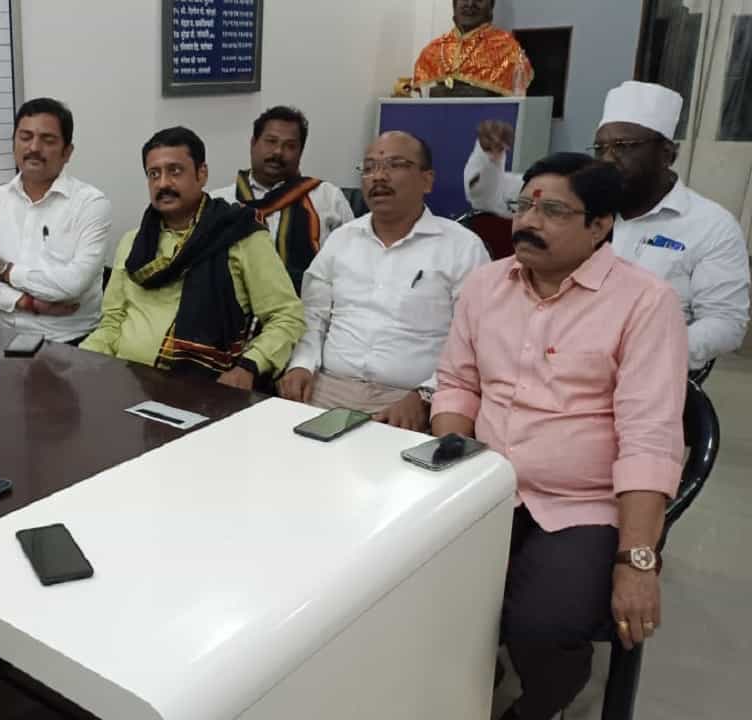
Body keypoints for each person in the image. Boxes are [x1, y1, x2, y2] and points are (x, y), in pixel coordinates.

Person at [433, 152, 687, 720]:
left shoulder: (645, 302)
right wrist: (453, 460)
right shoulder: (485, 285)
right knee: (404, 587)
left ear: (600, 226)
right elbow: (457, 385)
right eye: (523, 206)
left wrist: (637, 560)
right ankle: (470, 677)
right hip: (484, 483)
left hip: (580, 504)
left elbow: (649, 438)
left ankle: (539, 703)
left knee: (543, 627)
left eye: (552, 211)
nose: (527, 222)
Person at [464, 81, 750, 370]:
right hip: (544, 356)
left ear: (667, 153)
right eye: (601, 148)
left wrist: (645, 352)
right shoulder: (576, 201)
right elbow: (489, 197)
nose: (609, 158)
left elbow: (725, 323)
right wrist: (489, 157)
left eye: (624, 147)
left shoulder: (710, 225)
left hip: (647, 370)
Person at [278, 132, 489, 429]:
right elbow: (313, 315)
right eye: (369, 167)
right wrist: (301, 365)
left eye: (395, 165)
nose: (379, 176)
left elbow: (473, 341)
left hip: (408, 399)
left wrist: (426, 395)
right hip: (326, 388)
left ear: (427, 180)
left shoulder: (462, 247)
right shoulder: (342, 239)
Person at [80, 127, 305, 389]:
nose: (163, 183)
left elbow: (286, 316)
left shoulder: (239, 236)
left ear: (202, 174)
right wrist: (77, 361)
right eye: (154, 174)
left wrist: (248, 367)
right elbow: (112, 323)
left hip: (206, 387)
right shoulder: (134, 242)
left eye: (175, 171)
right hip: (126, 379)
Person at [0, 97, 112, 344]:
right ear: (14, 144)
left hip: (70, 342)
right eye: (25, 137)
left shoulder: (90, 204)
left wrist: (5, 271)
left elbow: (72, 285)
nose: (34, 147)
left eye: (47, 140)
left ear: (67, 152)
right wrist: (26, 302)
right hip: (2, 337)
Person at [210, 106, 354, 293]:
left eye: (290, 146)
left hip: (310, 305)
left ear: (301, 152)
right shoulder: (219, 202)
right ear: (253, 144)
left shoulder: (328, 197)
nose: (278, 151)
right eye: (271, 141)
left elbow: (352, 263)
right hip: (234, 306)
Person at [413, 0, 533, 98]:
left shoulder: (508, 49)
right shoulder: (433, 50)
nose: (470, 4)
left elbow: (518, 106)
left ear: (491, 6)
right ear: (454, 4)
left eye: (479, 0)